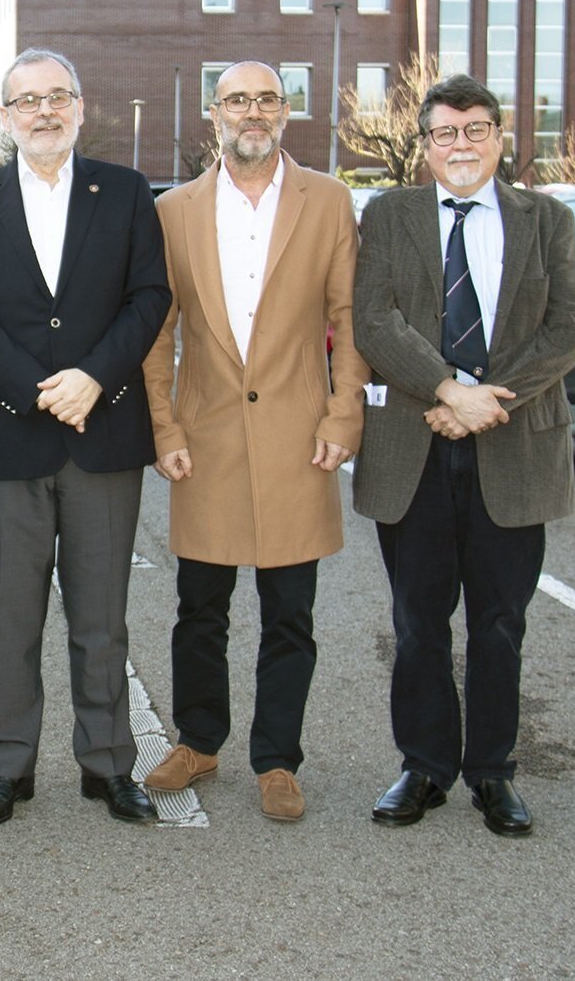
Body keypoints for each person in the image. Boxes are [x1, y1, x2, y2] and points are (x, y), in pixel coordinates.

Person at [0, 49, 172, 827]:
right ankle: (7, 769)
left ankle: (109, 767)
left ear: (80, 106)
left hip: (104, 434)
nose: (44, 111)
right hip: (8, 440)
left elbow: (149, 297)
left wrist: (94, 378)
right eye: (27, 100)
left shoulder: (126, 192)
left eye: (57, 96)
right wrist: (40, 390)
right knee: (10, 619)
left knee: (102, 621)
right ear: (5, 117)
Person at [353, 73, 575, 837]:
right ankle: (423, 766)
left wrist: (486, 401)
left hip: (513, 447)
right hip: (413, 447)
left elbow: (565, 330)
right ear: (426, 145)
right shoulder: (389, 215)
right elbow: (374, 320)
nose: (461, 144)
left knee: (499, 622)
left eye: (476, 129)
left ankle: (492, 772)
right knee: (418, 623)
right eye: (446, 132)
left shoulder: (546, 220)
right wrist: (450, 390)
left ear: (498, 137)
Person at [140, 60, 369, 821]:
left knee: (290, 614)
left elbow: (348, 320)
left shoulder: (328, 201)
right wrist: (164, 426)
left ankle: (277, 760)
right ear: (215, 114)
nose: (253, 112)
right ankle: (199, 742)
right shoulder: (173, 211)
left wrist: (342, 416)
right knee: (199, 609)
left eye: (267, 99)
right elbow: (157, 333)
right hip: (203, 438)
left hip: (298, 438)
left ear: (285, 112)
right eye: (237, 100)